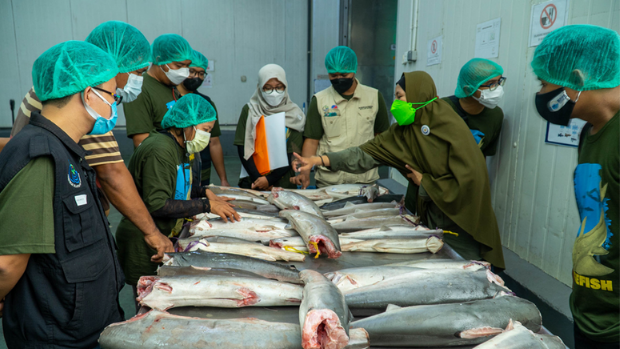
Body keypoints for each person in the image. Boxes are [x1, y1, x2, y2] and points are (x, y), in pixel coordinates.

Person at [293, 71, 505, 269]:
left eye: (400, 97)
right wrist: (318, 160)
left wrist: (427, 183)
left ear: (418, 96)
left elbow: (472, 181)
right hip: (426, 215)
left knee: (464, 271)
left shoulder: (451, 128)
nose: (396, 103)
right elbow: (362, 155)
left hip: (459, 220)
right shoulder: (402, 131)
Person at [5, 20, 173, 263]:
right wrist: (152, 232)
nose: (139, 82)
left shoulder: (54, 82)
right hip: (61, 228)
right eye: (137, 73)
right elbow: (112, 174)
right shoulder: (85, 105)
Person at [0, 41, 125, 348]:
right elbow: (7, 264)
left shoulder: (65, 150)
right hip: (56, 337)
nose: (114, 103)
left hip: (81, 326)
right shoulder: (40, 155)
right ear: (88, 94)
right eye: (112, 94)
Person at [532, 24, 619, 348]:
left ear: (578, 79)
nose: (541, 95)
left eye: (544, 83)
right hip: (590, 313)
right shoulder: (590, 132)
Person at [116, 94, 240, 300]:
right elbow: (157, 204)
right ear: (187, 124)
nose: (207, 137)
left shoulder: (181, 147)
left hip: (165, 235)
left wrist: (201, 191)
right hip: (145, 240)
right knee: (148, 301)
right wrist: (205, 205)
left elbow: (175, 186)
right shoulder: (160, 149)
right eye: (205, 130)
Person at [405, 58, 506, 213]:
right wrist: (423, 183)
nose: (497, 88)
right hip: (427, 191)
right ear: (468, 88)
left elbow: (482, 158)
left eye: (499, 82)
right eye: (491, 84)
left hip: (461, 195)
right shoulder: (439, 110)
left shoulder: (495, 116)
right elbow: (418, 153)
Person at [293, 46, 390, 188]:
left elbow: (381, 137)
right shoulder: (320, 100)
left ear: (354, 70)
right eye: (333, 75)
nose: (339, 79)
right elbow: (312, 141)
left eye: (344, 75)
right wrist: (305, 173)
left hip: (364, 181)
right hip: (329, 182)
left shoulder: (374, 97)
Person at [234, 64, 306, 190]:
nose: (274, 93)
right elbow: (243, 147)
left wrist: (269, 180)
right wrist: (259, 180)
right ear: (260, 88)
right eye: (267, 88)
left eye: (279, 87)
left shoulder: (294, 114)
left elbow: (293, 153)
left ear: (285, 86)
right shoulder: (250, 110)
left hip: (284, 184)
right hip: (252, 182)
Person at [124, 33, 193, 148]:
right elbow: (141, 140)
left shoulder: (172, 86)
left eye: (187, 66)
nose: (184, 72)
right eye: (179, 65)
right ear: (159, 60)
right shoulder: (140, 88)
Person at [175, 50, 230, 186]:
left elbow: (214, 142)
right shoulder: (171, 100)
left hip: (201, 169)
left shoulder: (206, 103)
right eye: (192, 71)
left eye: (201, 73)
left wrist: (223, 179)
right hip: (174, 168)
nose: (196, 77)